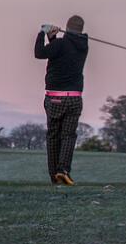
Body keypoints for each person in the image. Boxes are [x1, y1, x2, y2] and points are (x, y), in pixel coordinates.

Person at [34, 15, 89, 185]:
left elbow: (40, 53)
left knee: (53, 136)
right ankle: (63, 170)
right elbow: (62, 51)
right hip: (74, 98)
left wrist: (42, 33)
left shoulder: (59, 45)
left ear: (67, 28)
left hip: (54, 98)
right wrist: (53, 38)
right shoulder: (83, 46)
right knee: (68, 136)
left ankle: (54, 175)